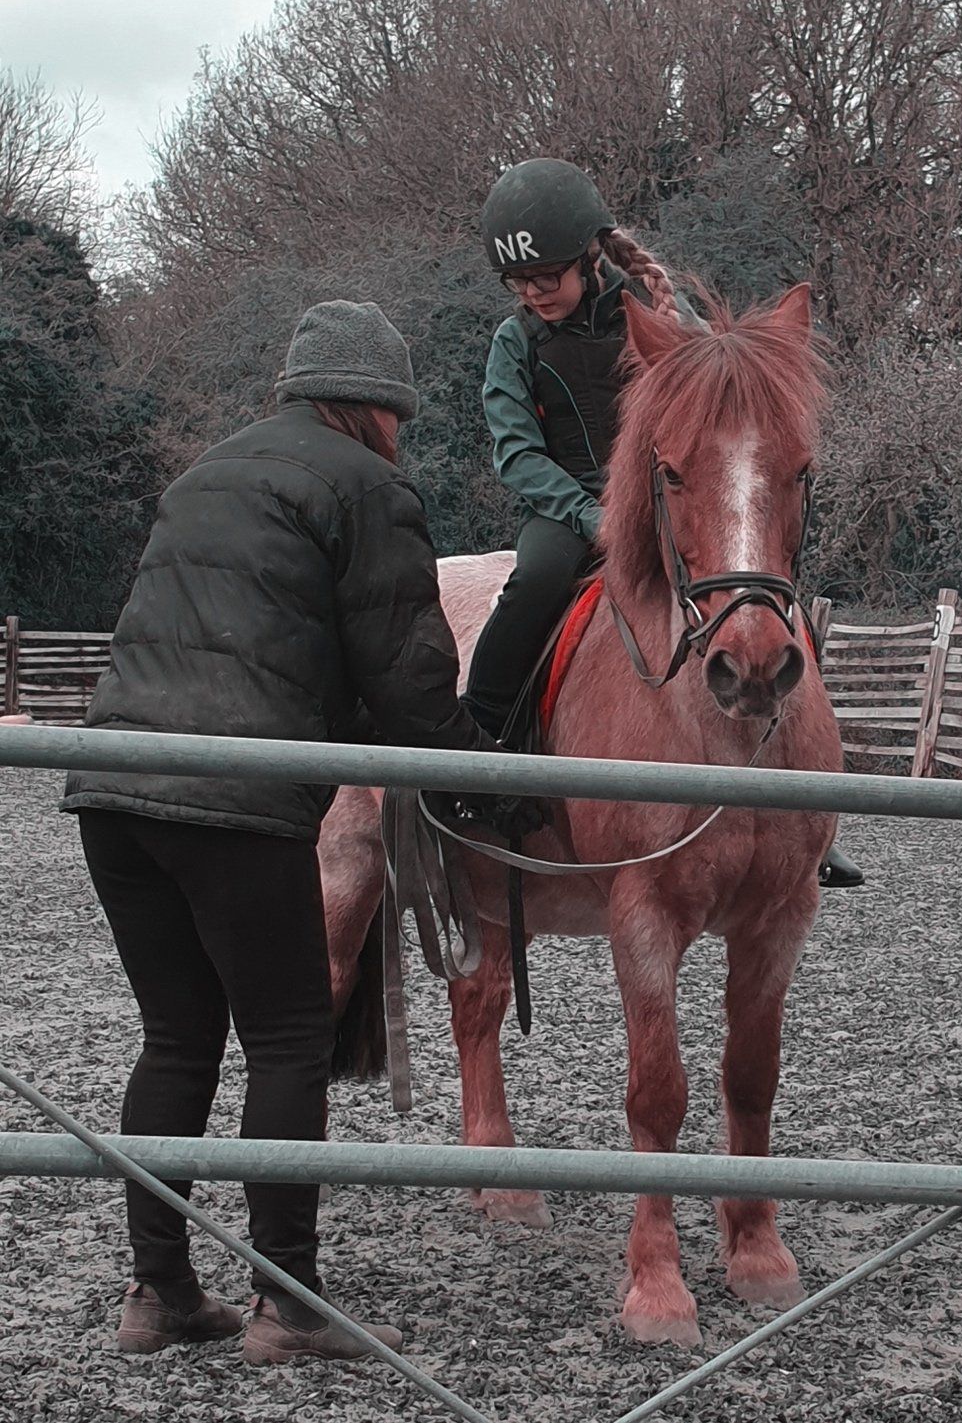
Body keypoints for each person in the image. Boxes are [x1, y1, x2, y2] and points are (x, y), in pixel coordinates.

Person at [60, 300, 531, 1365]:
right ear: (376, 406)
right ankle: (289, 1298)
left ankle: (161, 1290)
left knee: (176, 1038)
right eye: (400, 415)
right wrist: (482, 777)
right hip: (234, 794)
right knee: (284, 1040)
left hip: (111, 786)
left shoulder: (206, 474)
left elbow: (259, 644)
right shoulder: (367, 486)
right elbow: (409, 674)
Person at [464, 158, 865, 887]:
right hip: (569, 508)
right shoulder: (515, 344)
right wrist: (589, 514)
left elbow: (710, 433)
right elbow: (516, 454)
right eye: (519, 283)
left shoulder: (660, 314)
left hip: (668, 497)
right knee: (535, 585)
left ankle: (812, 806)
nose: (532, 293)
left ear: (589, 256)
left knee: (760, 592)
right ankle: (487, 753)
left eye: (546, 277)